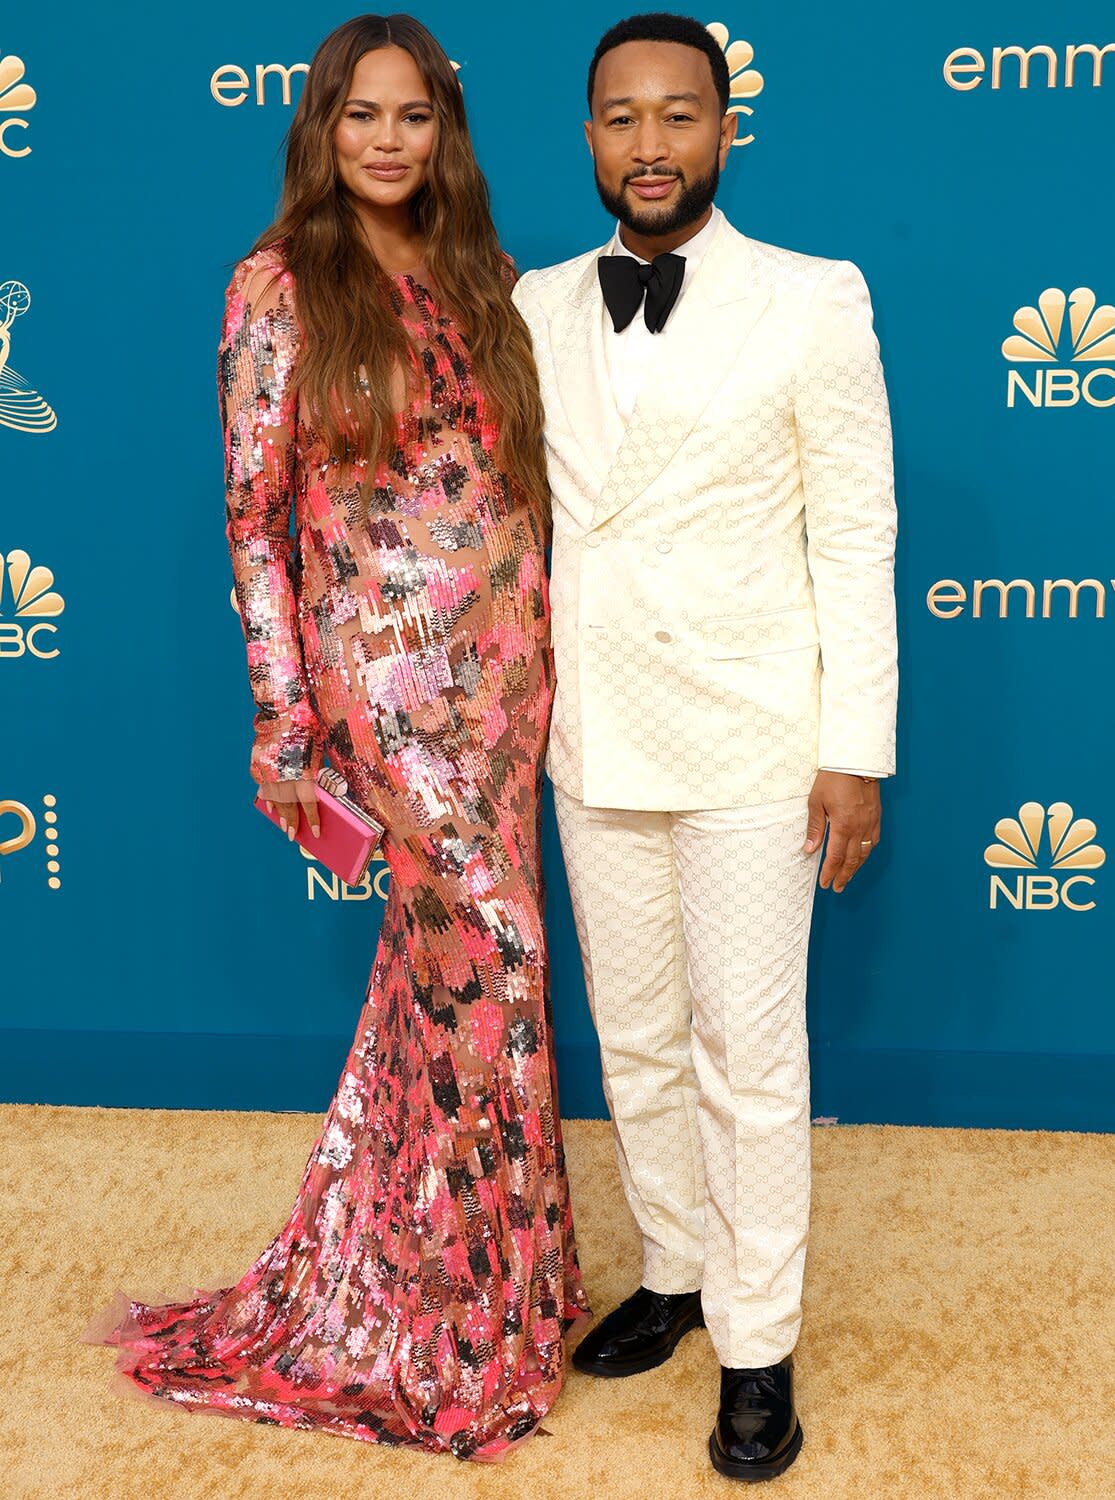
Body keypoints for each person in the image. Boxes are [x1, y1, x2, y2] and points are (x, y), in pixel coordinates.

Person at [80, 12, 587, 1461]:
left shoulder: (483, 275)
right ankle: (452, 1327)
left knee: (455, 993)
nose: (386, 140)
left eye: (413, 117)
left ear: (445, 132)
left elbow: (513, 482)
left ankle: (495, 1291)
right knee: (492, 962)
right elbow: (255, 523)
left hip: (505, 676)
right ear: (321, 125)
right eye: (361, 115)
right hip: (387, 681)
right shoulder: (276, 285)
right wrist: (289, 723)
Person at [511, 11, 897, 1482]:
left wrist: (853, 744)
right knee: (641, 1036)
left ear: (726, 131)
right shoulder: (537, 302)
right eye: (623, 117)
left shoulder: (811, 299)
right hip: (596, 735)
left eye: (681, 115)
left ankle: (757, 1340)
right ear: (591, 135)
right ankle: (674, 1267)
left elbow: (855, 529)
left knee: (754, 1053)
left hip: (750, 737)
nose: (652, 143)